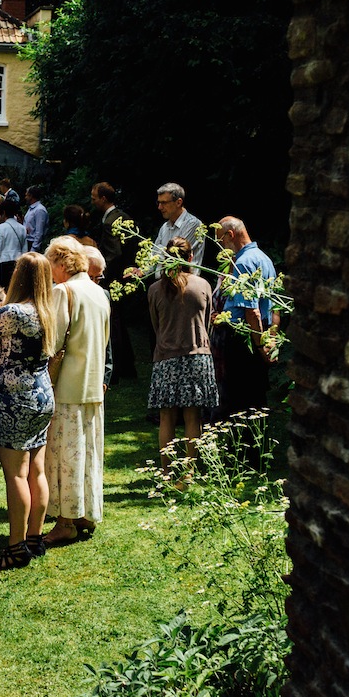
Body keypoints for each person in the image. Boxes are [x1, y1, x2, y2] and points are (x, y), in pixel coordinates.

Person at [0, 252, 60, 568]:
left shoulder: (12, 311)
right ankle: (34, 538)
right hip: (42, 394)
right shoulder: (47, 310)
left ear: (18, 276)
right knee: (37, 468)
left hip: (15, 397)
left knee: (15, 473)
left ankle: (14, 548)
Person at [43, 236, 113, 545]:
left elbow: (53, 341)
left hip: (67, 386)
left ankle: (65, 520)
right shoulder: (100, 293)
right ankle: (85, 512)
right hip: (93, 385)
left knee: (65, 456)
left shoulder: (64, 291)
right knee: (88, 453)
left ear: (61, 263)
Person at [147, 237, 217, 468]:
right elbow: (207, 323)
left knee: (166, 417)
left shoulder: (155, 289)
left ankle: (166, 472)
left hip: (166, 356)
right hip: (197, 356)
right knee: (192, 416)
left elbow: (155, 326)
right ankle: (189, 472)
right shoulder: (203, 285)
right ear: (190, 258)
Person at [213, 216, 278, 417]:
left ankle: (241, 447)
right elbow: (274, 308)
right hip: (261, 333)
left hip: (243, 340)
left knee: (238, 403)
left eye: (220, 240)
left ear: (230, 235)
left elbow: (252, 312)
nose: (221, 247)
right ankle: (256, 445)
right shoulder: (264, 258)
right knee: (256, 399)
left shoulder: (243, 262)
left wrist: (260, 347)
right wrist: (271, 342)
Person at [90, 182, 137, 383]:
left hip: (114, 280)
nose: (92, 201)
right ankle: (127, 366)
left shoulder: (110, 222)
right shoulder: (123, 216)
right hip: (127, 275)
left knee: (114, 325)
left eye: (94, 197)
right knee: (120, 324)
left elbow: (113, 254)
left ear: (103, 198)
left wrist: (100, 278)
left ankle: (117, 368)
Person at [152, 182, 205, 269]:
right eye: (159, 203)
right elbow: (153, 254)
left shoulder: (193, 224)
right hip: (164, 281)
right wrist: (140, 271)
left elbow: (176, 256)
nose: (160, 207)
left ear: (178, 202)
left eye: (164, 203)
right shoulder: (165, 227)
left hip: (186, 280)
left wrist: (160, 250)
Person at [0, 200, 28, 287]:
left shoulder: (0, 228)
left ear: (4, 212)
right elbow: (25, 251)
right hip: (19, 263)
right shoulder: (22, 228)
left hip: (4, 264)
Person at [23, 185, 50, 253]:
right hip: (27, 242)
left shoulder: (39, 210)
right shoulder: (31, 209)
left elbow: (39, 232)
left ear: (31, 196)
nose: (25, 197)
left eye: (27, 195)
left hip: (33, 244)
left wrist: (34, 249)